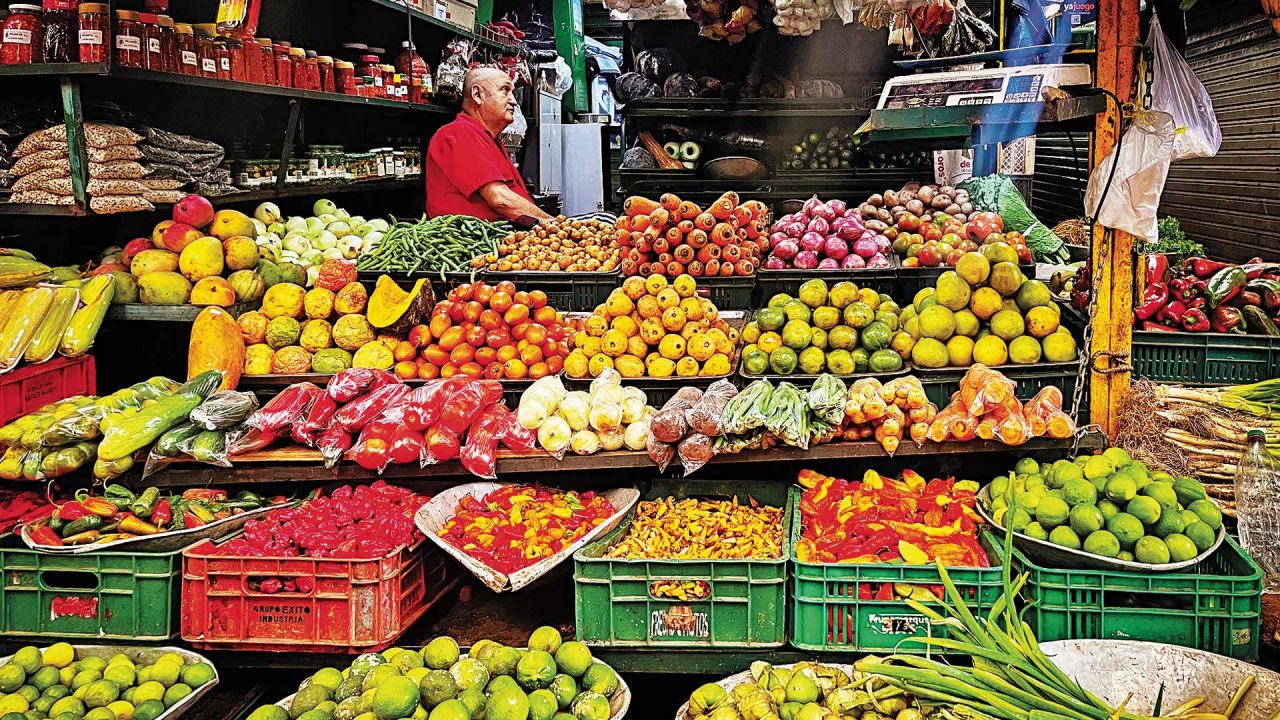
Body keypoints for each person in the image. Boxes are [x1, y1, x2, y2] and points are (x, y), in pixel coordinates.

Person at [426, 67, 552, 223]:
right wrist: (555, 224)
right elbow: (500, 199)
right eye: (505, 90)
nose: (513, 101)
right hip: (472, 243)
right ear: (478, 95)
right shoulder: (459, 133)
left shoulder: (488, 138)